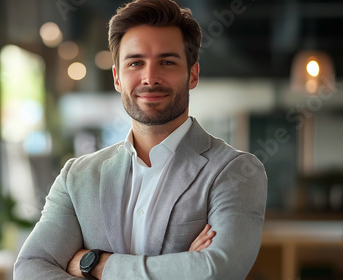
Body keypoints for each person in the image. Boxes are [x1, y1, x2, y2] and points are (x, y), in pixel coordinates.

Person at [14, 0, 267, 279]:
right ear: (117, 78)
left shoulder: (236, 171)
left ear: (192, 74)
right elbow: (30, 267)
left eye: (167, 62)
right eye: (135, 63)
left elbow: (217, 270)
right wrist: (180, 266)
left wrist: (97, 265)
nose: (150, 77)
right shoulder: (77, 177)